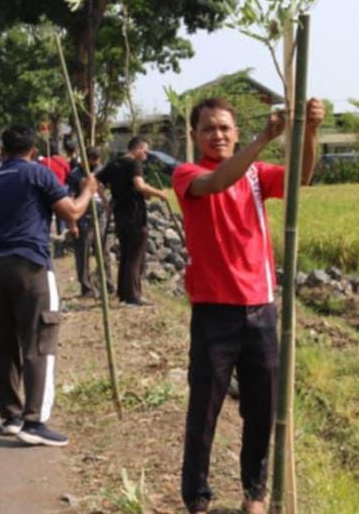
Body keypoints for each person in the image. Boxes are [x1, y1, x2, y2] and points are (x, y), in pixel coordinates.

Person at [171, 97, 325, 514]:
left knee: (261, 410)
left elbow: (302, 178)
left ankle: (254, 493)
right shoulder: (188, 174)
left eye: (225, 128)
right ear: (194, 136)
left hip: (260, 307)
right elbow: (218, 182)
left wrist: (308, 130)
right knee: (204, 410)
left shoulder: (257, 176)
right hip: (213, 311)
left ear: (234, 132)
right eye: (209, 129)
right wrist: (264, 138)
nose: (217, 135)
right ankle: (197, 499)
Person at [0, 124, 97, 447]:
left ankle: (11, 416)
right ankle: (34, 420)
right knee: (39, 340)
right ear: (32, 151)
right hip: (29, 264)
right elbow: (71, 211)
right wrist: (88, 189)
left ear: (1, 151)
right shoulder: (38, 174)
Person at [97, 137, 168, 305]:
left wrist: (107, 204)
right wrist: (160, 193)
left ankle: (123, 292)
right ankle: (134, 296)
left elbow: (96, 183)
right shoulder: (134, 164)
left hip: (120, 214)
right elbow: (139, 185)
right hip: (135, 214)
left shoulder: (114, 164)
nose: (146, 155)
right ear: (137, 148)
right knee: (136, 255)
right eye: (145, 151)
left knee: (126, 254)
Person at [68, 147, 113, 297]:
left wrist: (107, 208)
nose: (95, 165)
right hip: (83, 216)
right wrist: (72, 222)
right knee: (83, 252)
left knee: (103, 251)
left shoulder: (101, 170)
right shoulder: (75, 175)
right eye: (91, 162)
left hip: (100, 215)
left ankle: (107, 283)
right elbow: (70, 198)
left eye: (97, 162)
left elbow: (105, 190)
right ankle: (86, 287)